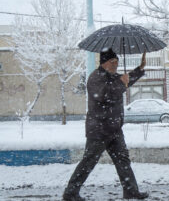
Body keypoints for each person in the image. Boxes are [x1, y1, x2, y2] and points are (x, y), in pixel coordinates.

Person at [63, 48, 149, 201]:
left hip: (114, 129)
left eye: (117, 62)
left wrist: (139, 69)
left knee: (123, 160)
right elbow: (105, 95)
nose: (116, 65)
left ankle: (131, 191)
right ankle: (70, 193)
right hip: (99, 130)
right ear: (104, 63)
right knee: (89, 161)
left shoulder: (112, 76)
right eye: (113, 62)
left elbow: (125, 79)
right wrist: (122, 83)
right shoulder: (95, 78)